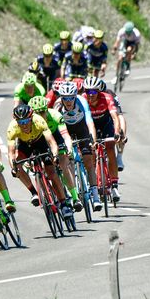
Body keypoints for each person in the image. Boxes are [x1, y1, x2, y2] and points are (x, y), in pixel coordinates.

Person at [7, 104, 72, 219]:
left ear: (31, 118)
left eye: (26, 121)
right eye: (21, 122)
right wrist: (13, 167)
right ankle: (33, 192)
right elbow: (11, 153)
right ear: (16, 121)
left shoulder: (39, 121)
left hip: (41, 142)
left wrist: (55, 156)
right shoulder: (12, 128)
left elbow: (52, 142)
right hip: (24, 145)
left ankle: (64, 204)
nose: (24, 125)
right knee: (17, 166)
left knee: (51, 172)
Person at [54, 81, 102, 211]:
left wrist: (93, 140)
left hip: (81, 129)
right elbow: (54, 127)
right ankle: (74, 194)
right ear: (61, 97)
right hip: (66, 131)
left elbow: (89, 122)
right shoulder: (57, 105)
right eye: (65, 98)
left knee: (88, 159)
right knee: (68, 161)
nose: (68, 101)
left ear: (75, 96)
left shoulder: (81, 101)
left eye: (71, 98)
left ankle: (96, 197)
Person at [29, 96, 83, 212]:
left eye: (42, 111)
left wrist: (68, 148)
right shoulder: (31, 122)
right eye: (36, 112)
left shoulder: (55, 116)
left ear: (47, 109)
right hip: (41, 142)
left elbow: (65, 135)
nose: (40, 115)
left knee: (63, 164)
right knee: (44, 168)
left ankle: (75, 198)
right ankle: (49, 193)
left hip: (56, 139)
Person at [82, 77, 121, 202]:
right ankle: (94, 181)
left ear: (98, 92)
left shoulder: (106, 97)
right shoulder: (83, 99)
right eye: (88, 91)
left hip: (106, 125)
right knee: (91, 153)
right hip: (90, 125)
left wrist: (116, 133)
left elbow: (115, 117)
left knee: (110, 148)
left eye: (93, 92)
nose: (90, 95)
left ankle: (114, 185)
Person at [98, 79, 128, 171]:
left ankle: (119, 157)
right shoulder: (89, 96)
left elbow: (120, 116)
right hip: (96, 119)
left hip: (110, 117)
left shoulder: (110, 95)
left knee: (120, 130)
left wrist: (122, 133)